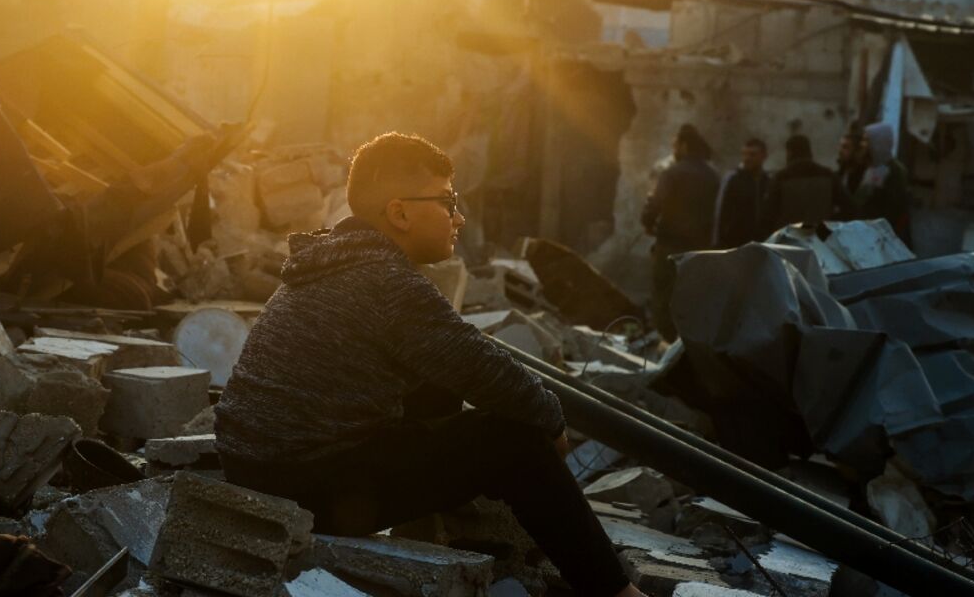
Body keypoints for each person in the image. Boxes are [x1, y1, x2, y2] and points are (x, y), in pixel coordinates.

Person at [215, 133, 646, 597]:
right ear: (399, 212)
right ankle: (617, 592)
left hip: (257, 465)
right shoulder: (383, 281)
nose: (458, 217)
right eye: (447, 202)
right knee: (514, 440)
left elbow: (453, 362)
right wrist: (551, 419)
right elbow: (482, 368)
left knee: (436, 391)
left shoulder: (332, 261)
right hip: (302, 485)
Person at [641, 124, 719, 343]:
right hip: (700, 249)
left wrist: (647, 222)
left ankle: (666, 342)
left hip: (670, 246)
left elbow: (656, 204)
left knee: (664, 295)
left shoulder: (673, 172)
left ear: (684, 146)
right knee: (692, 298)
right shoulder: (712, 174)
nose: (673, 149)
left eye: (675, 144)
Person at [847, 122, 912, 244]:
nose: (863, 144)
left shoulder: (894, 171)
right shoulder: (870, 168)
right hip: (865, 236)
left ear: (878, 142)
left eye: (866, 140)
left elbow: (895, 209)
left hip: (883, 240)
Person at [763, 135, 840, 233]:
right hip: (821, 238)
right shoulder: (828, 175)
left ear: (789, 152)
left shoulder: (781, 178)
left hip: (790, 239)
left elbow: (767, 215)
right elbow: (849, 208)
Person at [713, 138, 770, 248]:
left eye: (752, 155)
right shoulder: (733, 179)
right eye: (745, 154)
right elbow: (720, 213)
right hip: (736, 245)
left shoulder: (768, 182)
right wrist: (717, 244)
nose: (747, 158)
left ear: (763, 156)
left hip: (763, 245)